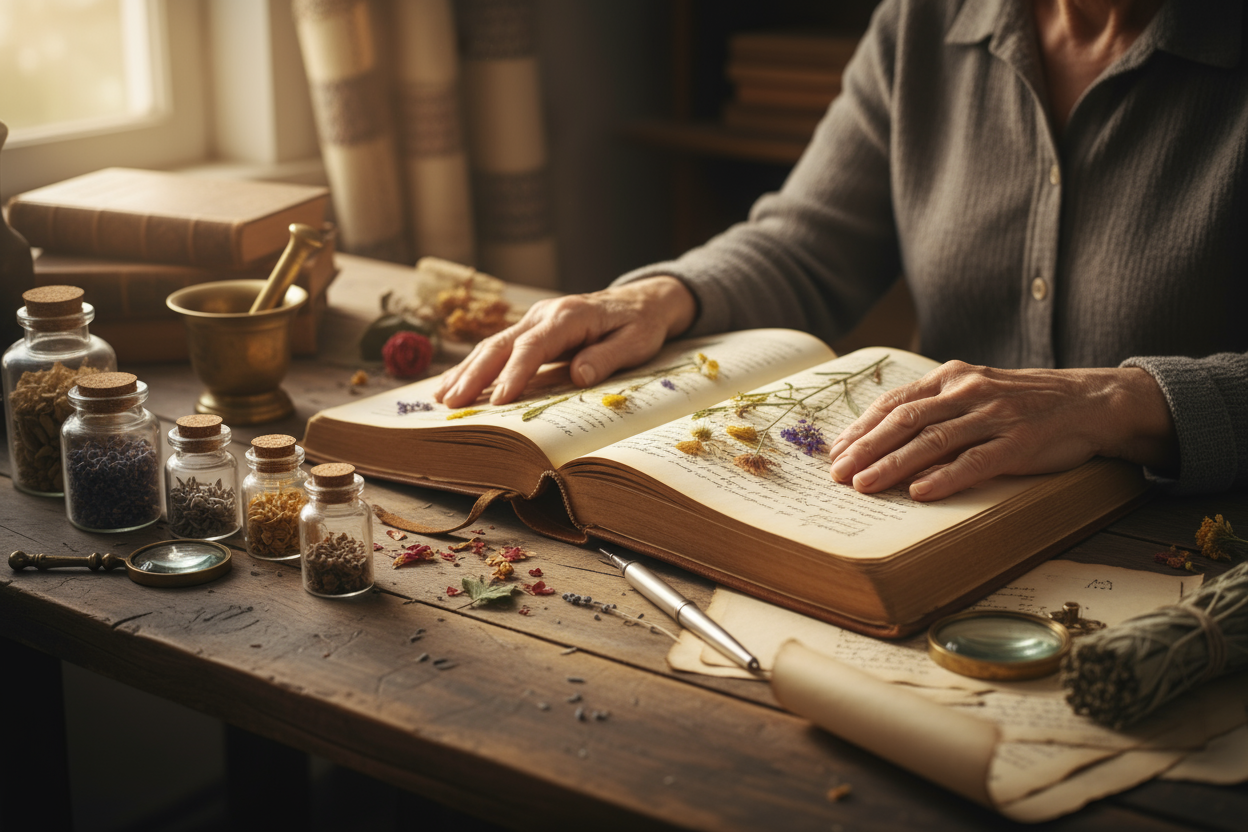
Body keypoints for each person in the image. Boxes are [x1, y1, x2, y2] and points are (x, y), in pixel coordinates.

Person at [438, 0, 1248, 501]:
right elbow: (809, 241)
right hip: (945, 511)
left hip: (1188, 545)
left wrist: (1119, 404)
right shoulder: (923, 20)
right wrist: (657, 297)